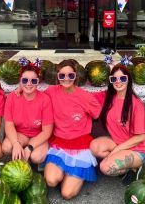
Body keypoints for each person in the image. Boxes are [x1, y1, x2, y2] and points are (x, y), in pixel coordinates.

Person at [43, 59, 101, 200]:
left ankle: (75, 174)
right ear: (57, 76)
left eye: (71, 75)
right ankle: (65, 172)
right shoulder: (51, 92)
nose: (66, 79)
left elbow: (98, 113)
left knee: (67, 194)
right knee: (51, 181)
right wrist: (19, 88)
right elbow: (36, 98)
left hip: (80, 146)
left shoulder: (85, 96)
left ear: (76, 76)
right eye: (62, 76)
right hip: (59, 145)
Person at [90, 64, 145, 185]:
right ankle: (123, 162)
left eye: (122, 78)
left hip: (137, 149)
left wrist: (116, 150)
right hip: (118, 142)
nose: (118, 82)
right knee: (94, 147)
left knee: (105, 167)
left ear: (128, 80)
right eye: (114, 79)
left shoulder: (137, 104)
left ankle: (134, 168)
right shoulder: (108, 97)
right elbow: (83, 96)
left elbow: (142, 136)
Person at [2, 62, 53, 164]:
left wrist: (29, 148)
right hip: (21, 134)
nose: (29, 84)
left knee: (36, 157)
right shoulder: (12, 97)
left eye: (33, 81)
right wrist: (16, 143)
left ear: (38, 82)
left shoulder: (45, 99)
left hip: (39, 135)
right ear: (20, 81)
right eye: (25, 80)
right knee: (7, 147)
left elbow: (47, 131)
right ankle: (21, 155)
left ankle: (30, 157)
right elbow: (9, 125)